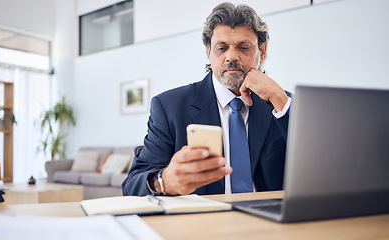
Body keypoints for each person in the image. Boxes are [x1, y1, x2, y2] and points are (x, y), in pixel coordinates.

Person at [122, 2, 291, 196]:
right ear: (208, 51)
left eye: (243, 47)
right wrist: (164, 181)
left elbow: (322, 167)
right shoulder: (169, 107)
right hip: (202, 221)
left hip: (270, 220)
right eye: (222, 48)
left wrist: (280, 99)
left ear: (262, 52)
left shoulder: (282, 104)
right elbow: (132, 187)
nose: (231, 56)